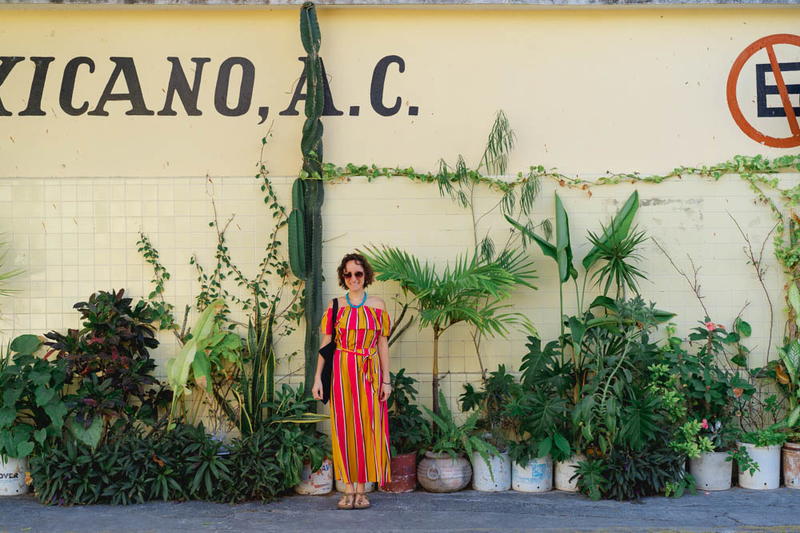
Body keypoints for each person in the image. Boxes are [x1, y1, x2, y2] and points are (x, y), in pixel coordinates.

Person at [312, 252, 392, 510]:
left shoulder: (378, 305)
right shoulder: (335, 306)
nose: (353, 278)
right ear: (343, 277)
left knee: (368, 427)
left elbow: (382, 344)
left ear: (365, 275)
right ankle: (348, 488)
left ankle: (362, 489)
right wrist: (317, 379)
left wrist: (386, 381)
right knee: (345, 428)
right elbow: (325, 346)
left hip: (370, 373)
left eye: (358, 273)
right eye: (348, 274)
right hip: (342, 371)